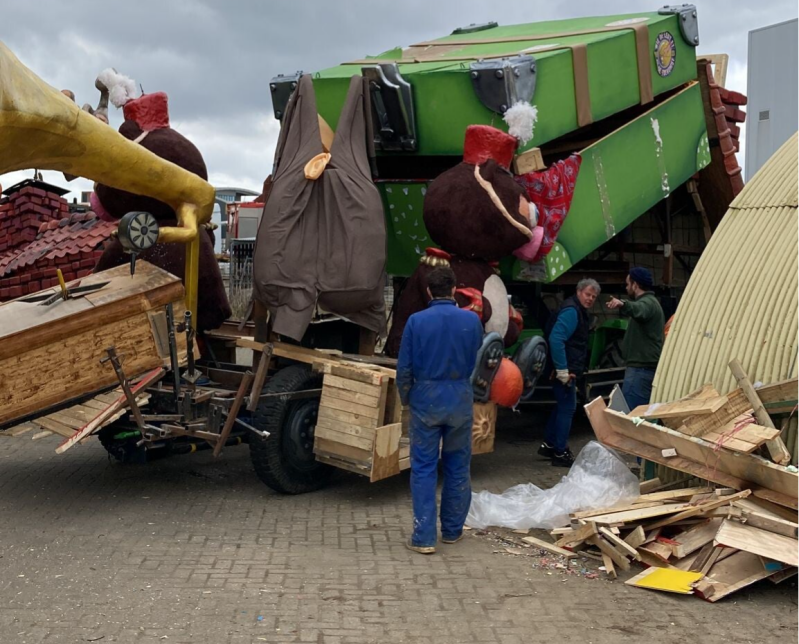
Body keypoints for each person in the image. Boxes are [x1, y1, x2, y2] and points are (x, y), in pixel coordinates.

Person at [396, 266, 484, 555]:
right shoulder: (471, 321)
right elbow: (477, 358)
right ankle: (452, 531)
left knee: (423, 467)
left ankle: (423, 538)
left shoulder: (416, 321)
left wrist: (407, 397)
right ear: (454, 289)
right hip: (459, 398)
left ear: (429, 291)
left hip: (426, 399)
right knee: (458, 465)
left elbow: (404, 368)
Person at [539, 278, 601, 467]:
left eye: (593, 297)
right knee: (568, 408)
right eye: (587, 294)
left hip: (563, 368)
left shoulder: (574, 309)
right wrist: (562, 370)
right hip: (564, 371)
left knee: (562, 405)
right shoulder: (572, 311)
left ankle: (549, 444)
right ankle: (560, 452)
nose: (590, 299)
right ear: (578, 291)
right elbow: (556, 339)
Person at [606, 267, 665, 410]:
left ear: (635, 285)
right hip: (642, 370)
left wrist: (623, 304)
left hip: (640, 372)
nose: (626, 288)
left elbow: (639, 309)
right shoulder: (652, 302)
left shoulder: (648, 303)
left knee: (632, 415)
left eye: (628, 284)